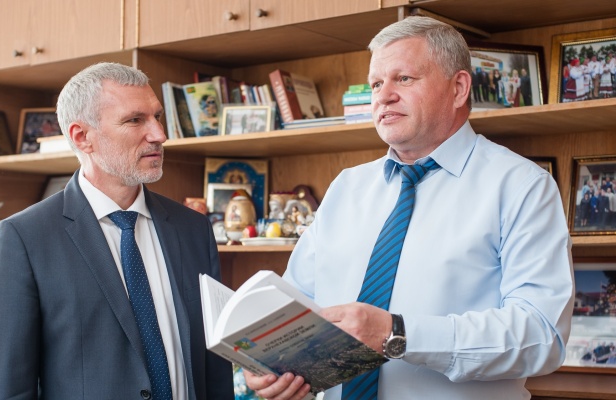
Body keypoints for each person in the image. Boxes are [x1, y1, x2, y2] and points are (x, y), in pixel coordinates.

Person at [244, 16, 573, 400]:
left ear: (458, 88)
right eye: (376, 84)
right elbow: (295, 306)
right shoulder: (346, 188)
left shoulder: (522, 185)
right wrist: (270, 364)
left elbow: (541, 335)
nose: (383, 96)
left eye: (403, 78)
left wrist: (398, 334)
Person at [0, 62, 234, 399]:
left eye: (157, 117)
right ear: (82, 137)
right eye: (135, 120)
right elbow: (8, 390)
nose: (159, 134)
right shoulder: (23, 239)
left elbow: (215, 366)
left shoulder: (194, 228)